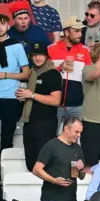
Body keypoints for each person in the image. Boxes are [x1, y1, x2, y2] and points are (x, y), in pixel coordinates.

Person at [19, 41, 62, 172]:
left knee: (44, 164)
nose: (38, 58)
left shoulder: (52, 73)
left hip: (45, 123)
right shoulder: (32, 73)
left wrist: (31, 95)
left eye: (41, 55)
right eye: (35, 55)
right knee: (31, 163)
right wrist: (23, 96)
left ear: (47, 56)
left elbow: (56, 100)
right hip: (29, 122)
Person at [48, 16, 91, 126]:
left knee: (75, 138)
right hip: (54, 104)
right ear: (66, 32)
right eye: (76, 31)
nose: (80, 34)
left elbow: (89, 76)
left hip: (77, 104)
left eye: (81, 31)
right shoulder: (51, 49)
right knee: (52, 137)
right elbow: (43, 74)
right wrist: (59, 68)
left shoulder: (86, 51)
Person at [0, 13, 30, 151]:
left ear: (7, 26)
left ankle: (4, 171)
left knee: (7, 139)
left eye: (2, 24)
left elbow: (26, 73)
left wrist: (5, 75)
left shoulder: (16, 46)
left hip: (10, 97)